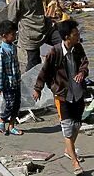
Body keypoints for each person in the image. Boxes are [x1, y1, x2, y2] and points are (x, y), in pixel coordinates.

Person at [33, 20, 88, 175]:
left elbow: (85, 62)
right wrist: (37, 88)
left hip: (77, 93)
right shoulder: (55, 52)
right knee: (67, 128)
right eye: (75, 34)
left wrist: (82, 73)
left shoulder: (78, 48)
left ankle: (68, 150)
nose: (78, 36)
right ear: (66, 37)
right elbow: (44, 71)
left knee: (76, 125)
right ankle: (74, 161)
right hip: (62, 95)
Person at [7, 0, 61, 70]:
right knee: (34, 63)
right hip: (30, 35)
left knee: (63, 44)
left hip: (45, 27)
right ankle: (29, 83)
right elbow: (11, 20)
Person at [0, 20, 24, 136]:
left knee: (17, 104)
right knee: (10, 104)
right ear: (4, 35)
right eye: (12, 34)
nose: (14, 36)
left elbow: (16, 64)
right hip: (7, 83)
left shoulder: (13, 47)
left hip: (16, 81)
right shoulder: (1, 51)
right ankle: (2, 119)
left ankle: (11, 126)